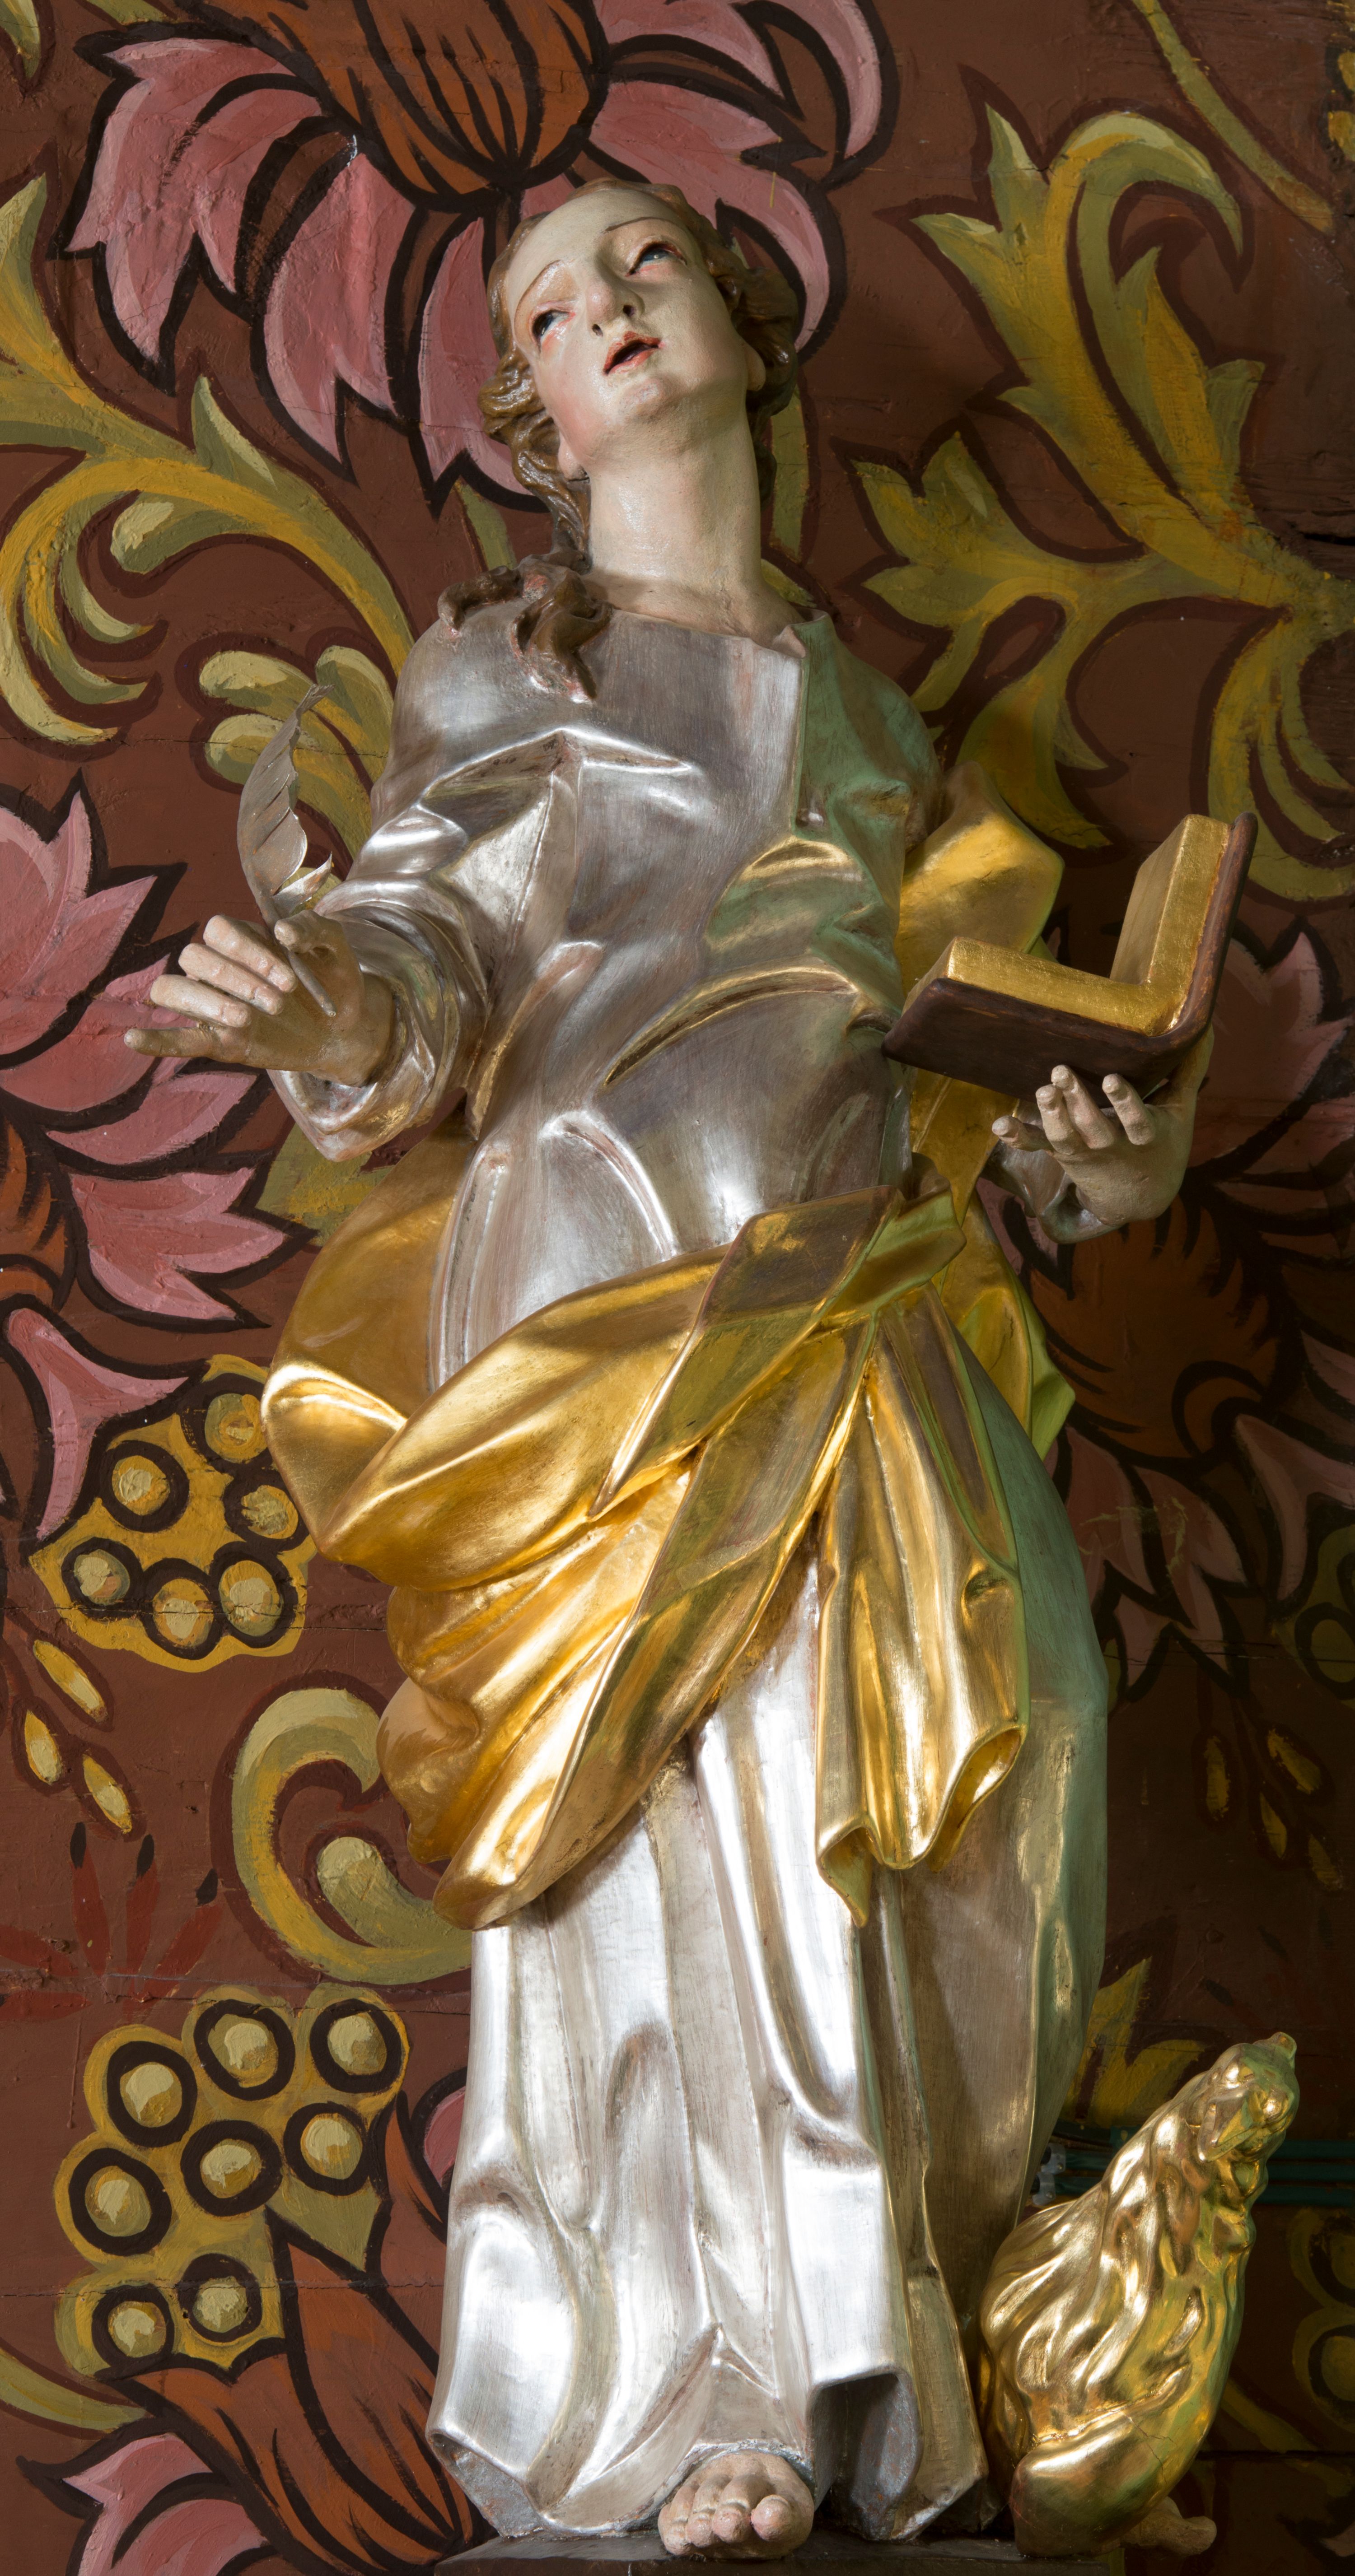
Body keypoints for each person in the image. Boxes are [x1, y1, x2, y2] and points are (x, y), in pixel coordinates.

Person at [127, 182, 1211, 2558]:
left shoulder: (891, 732)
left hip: (865, 1300)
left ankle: (906, 2333)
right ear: (532, 412)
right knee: (692, 1816)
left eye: (645, 267)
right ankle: (729, 2383)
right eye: (551, 306)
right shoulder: (504, 678)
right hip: (614, 1313)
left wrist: (1092, 1157)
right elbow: (423, 942)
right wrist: (334, 1013)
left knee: (995, 1741)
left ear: (739, 320)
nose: (607, 310)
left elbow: (968, 1084)